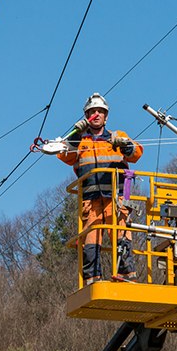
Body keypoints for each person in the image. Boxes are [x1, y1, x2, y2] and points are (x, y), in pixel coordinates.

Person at [57, 93, 143, 285]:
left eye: (100, 111)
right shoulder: (81, 141)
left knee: (121, 235)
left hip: (115, 197)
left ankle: (126, 275)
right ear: (86, 116)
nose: (96, 114)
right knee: (91, 240)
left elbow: (136, 153)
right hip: (91, 200)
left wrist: (125, 145)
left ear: (106, 116)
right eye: (92, 111)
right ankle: (92, 279)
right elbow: (64, 155)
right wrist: (76, 134)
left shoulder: (117, 137)